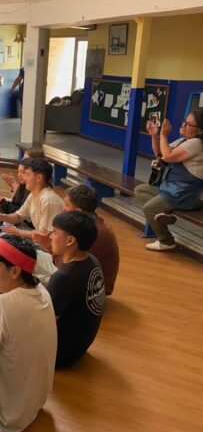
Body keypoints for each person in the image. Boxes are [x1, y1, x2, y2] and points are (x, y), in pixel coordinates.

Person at [0, 235, 57, 432]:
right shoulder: (41, 290)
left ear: (15, 271)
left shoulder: (3, 305)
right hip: (35, 400)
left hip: (6, 413)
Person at [133, 111, 203, 251]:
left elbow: (168, 156)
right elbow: (160, 153)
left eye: (189, 124)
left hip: (186, 194)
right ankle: (165, 213)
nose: (184, 125)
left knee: (149, 209)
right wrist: (155, 136)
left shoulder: (196, 143)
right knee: (140, 190)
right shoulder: (183, 141)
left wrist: (164, 136)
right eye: (184, 121)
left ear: (200, 130)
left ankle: (166, 241)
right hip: (173, 189)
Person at [46, 211, 106, 368]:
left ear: (70, 240)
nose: (50, 236)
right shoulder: (92, 261)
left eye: (55, 232)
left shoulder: (63, 278)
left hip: (59, 354)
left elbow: (45, 323)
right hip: (80, 345)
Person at [58, 184, 119, 296]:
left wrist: (49, 246)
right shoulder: (86, 222)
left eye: (66, 205)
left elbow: (71, 267)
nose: (63, 208)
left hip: (91, 290)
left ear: (78, 211)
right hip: (78, 275)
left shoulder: (97, 233)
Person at [0, 158, 64, 239]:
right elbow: (18, 216)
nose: (24, 178)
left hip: (48, 245)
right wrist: (3, 217)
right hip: (39, 238)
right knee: (7, 225)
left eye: (27, 175)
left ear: (38, 178)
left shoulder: (48, 200)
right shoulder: (33, 195)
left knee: (9, 236)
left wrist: (18, 232)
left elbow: (45, 237)